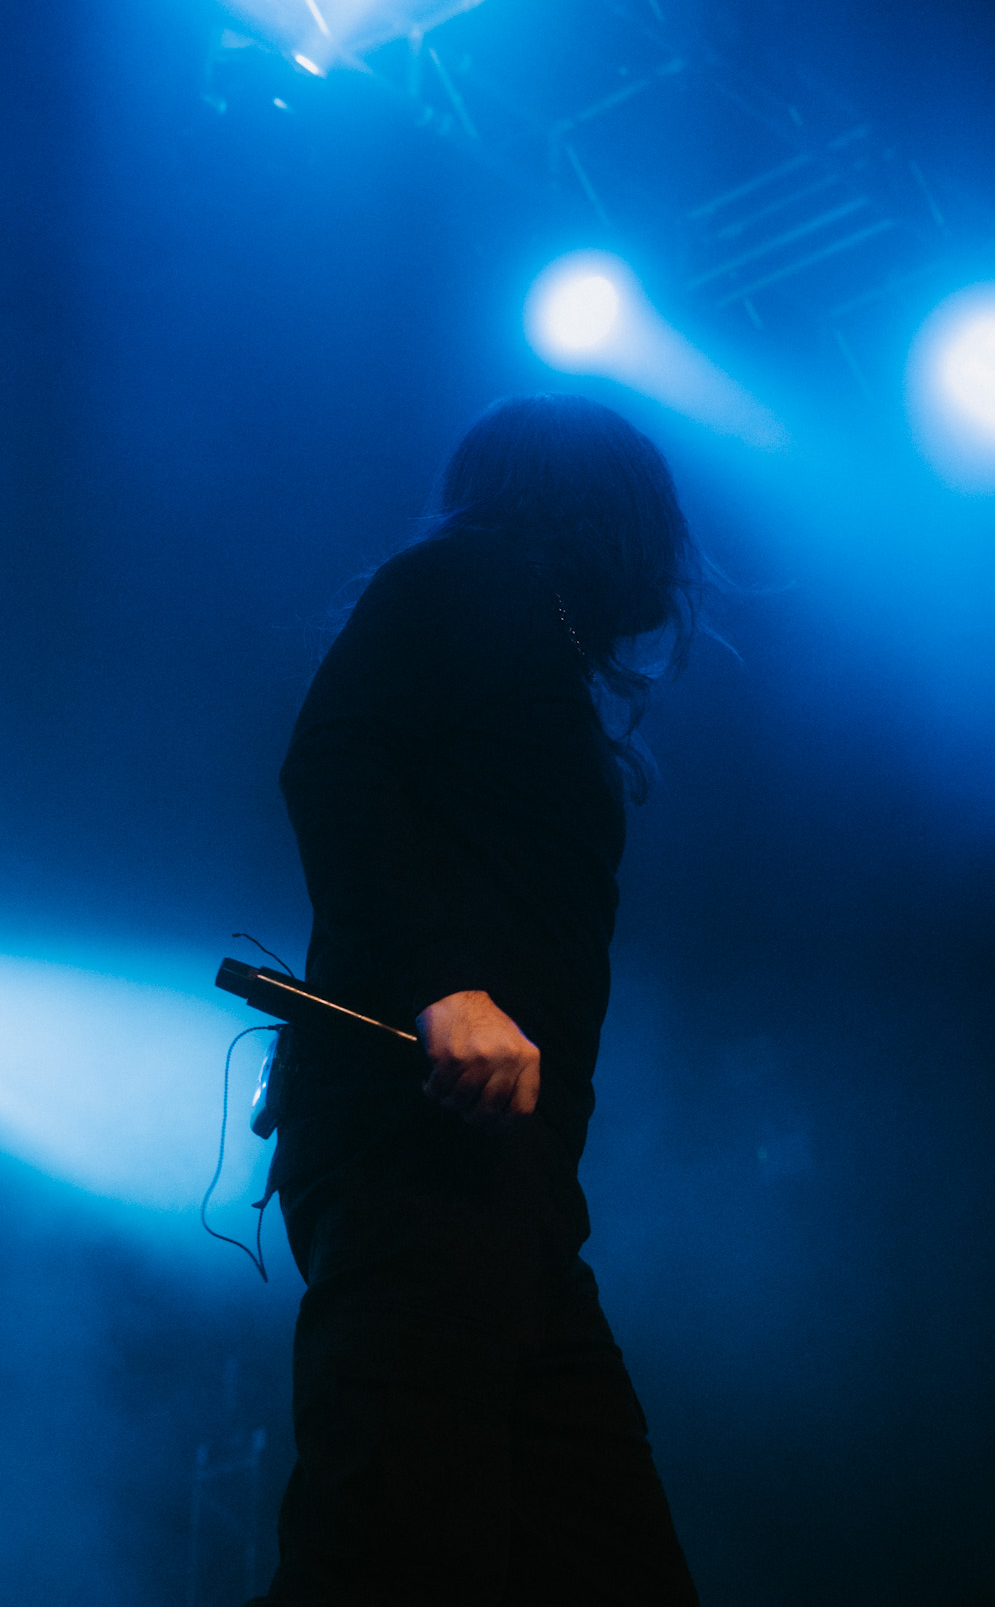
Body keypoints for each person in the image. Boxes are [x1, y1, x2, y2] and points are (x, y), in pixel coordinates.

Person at [251, 393, 701, 1606]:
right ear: (609, 506)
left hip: (509, 1182)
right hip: (425, 1150)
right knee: (391, 1550)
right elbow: (333, 759)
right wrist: (440, 981)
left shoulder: (527, 638)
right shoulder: (469, 577)